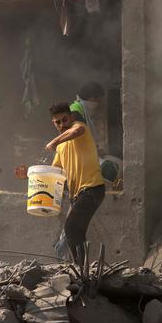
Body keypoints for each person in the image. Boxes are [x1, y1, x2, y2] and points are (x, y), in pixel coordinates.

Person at [46, 102, 105, 265]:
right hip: (77, 195)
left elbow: (76, 131)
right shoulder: (61, 146)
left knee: (71, 228)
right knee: (76, 232)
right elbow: (53, 172)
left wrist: (55, 141)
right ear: (53, 123)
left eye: (64, 120)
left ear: (70, 117)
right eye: (57, 122)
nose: (62, 125)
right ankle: (83, 269)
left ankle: (79, 268)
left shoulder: (79, 127)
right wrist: (30, 177)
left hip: (92, 189)